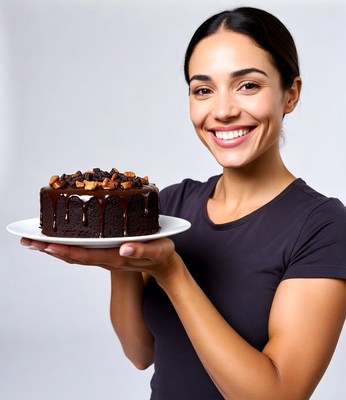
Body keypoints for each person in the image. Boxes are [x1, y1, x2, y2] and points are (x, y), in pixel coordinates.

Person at [21, 7, 346, 400]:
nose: (223, 110)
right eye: (203, 90)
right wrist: (119, 258)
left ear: (290, 94)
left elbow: (277, 395)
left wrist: (172, 273)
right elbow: (140, 352)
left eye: (248, 86)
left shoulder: (322, 225)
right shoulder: (171, 204)